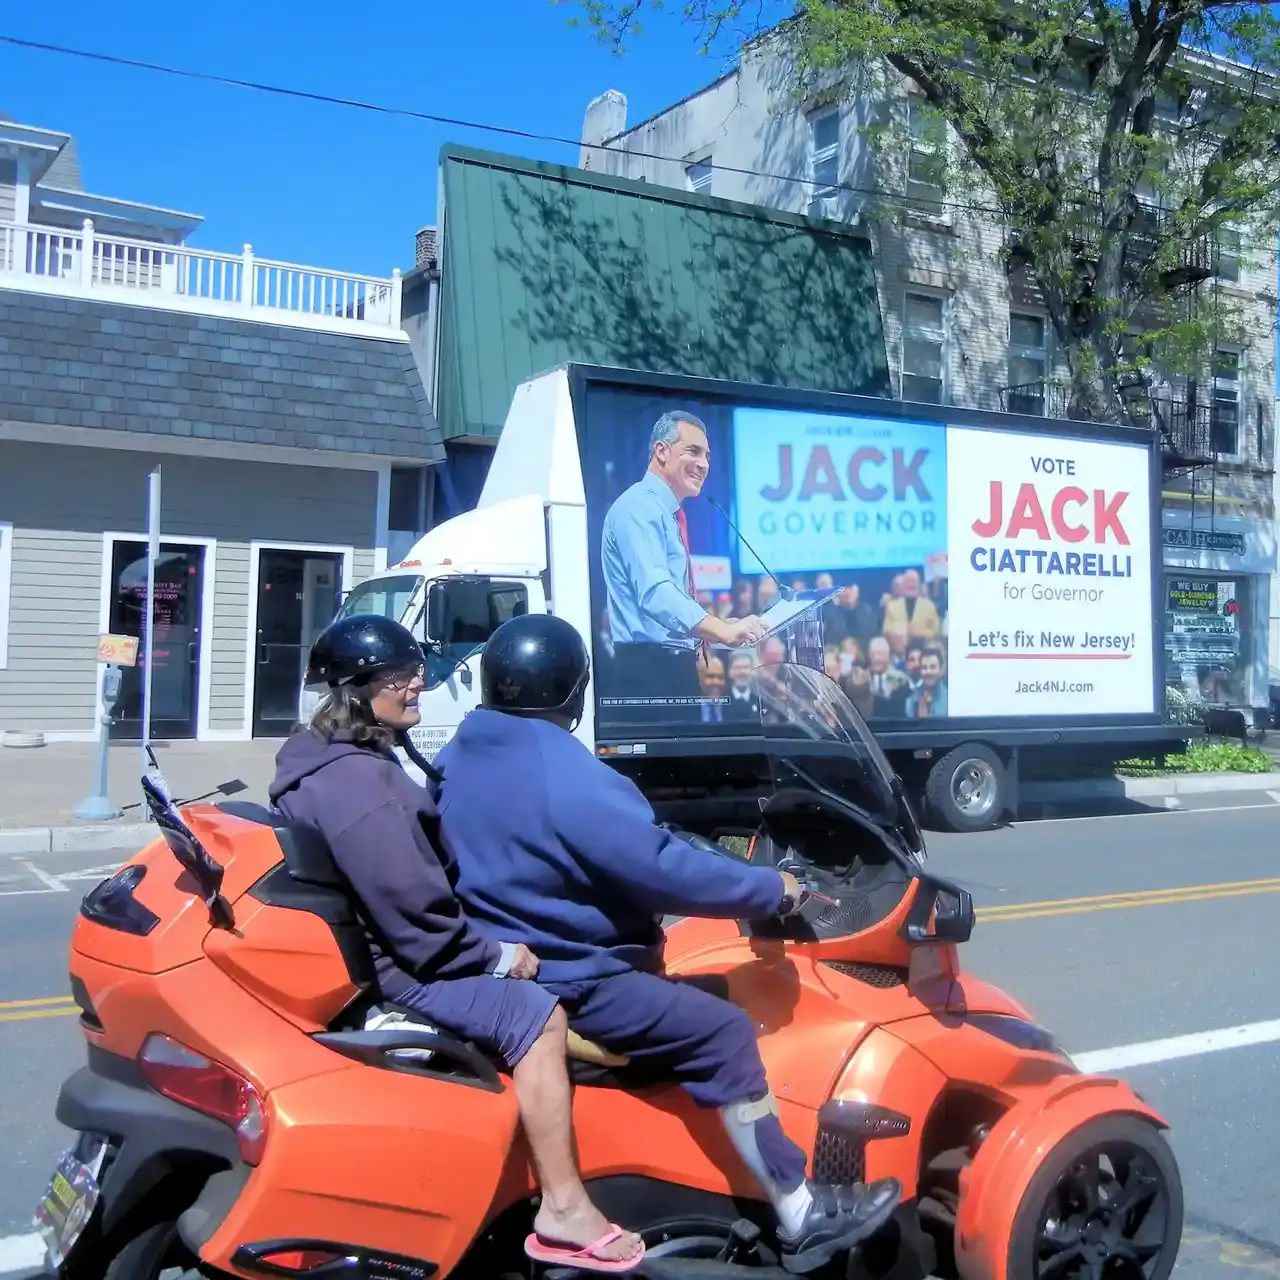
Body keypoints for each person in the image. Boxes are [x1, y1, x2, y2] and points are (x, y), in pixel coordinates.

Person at [434, 614, 902, 1275]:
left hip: (509, 962)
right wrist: (770, 889)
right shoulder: (561, 768)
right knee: (725, 1029)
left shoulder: (463, 750)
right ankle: (800, 1210)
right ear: (572, 692)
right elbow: (662, 870)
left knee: (704, 984)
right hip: (580, 978)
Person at [267, 615, 644, 1274]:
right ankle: (563, 1207)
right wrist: (495, 955)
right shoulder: (363, 788)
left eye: (413, 670)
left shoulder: (323, 757)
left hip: (387, 944)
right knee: (538, 1016)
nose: (417, 683)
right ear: (357, 691)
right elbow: (418, 916)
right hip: (408, 965)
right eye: (398, 676)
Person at [600, 410, 765, 700]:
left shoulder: (667, 514)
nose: (703, 465)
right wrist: (721, 631)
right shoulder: (638, 507)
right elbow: (656, 593)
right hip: (647, 673)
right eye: (694, 452)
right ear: (661, 451)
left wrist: (723, 626)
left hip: (670, 668)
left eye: (708, 457)